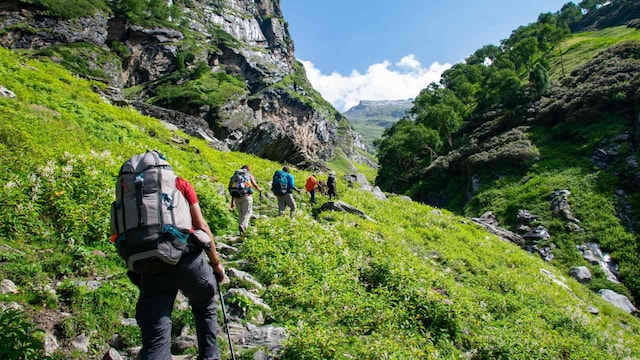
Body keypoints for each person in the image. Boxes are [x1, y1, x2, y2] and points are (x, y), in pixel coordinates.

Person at [135, 177, 225, 360]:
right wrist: (216, 264)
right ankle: (210, 356)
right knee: (204, 304)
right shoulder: (180, 183)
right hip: (187, 258)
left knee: (156, 321)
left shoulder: (131, 188)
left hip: (151, 263)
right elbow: (202, 226)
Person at [229, 165, 263, 236]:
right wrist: (259, 189)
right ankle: (243, 226)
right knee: (247, 213)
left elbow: (232, 188)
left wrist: (232, 203)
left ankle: (241, 233)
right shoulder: (249, 175)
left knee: (241, 214)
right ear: (248, 169)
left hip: (236, 197)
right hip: (246, 197)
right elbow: (254, 184)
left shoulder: (235, 176)